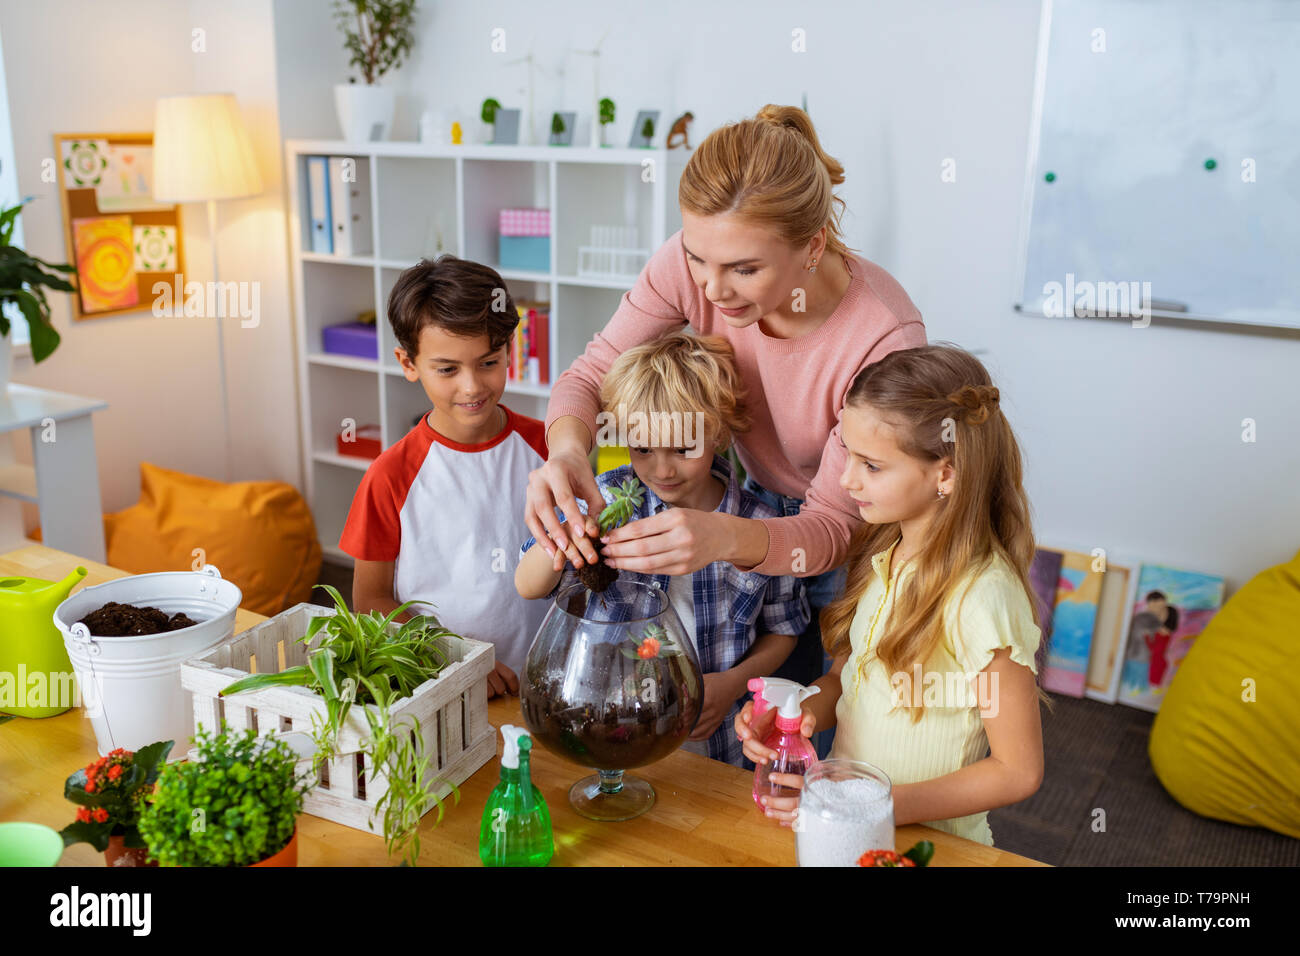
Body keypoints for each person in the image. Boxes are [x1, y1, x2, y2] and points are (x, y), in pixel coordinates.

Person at [525, 105, 927, 744]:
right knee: (740, 734)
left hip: (849, 539)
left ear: (813, 245)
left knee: (808, 740)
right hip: (753, 513)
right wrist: (569, 451)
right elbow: (590, 374)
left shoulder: (881, 337)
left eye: (744, 269)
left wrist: (723, 538)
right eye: (697, 259)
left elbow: (829, 529)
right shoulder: (697, 264)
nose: (712, 290)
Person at [735, 344, 1051, 846]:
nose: (845, 479)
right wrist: (801, 712)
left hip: (931, 845)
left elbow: (1017, 771)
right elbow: (847, 676)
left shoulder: (983, 597)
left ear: (945, 473)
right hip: (850, 829)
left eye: (871, 466)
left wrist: (877, 804)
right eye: (848, 454)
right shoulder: (881, 551)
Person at [515, 331, 809, 766]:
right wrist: (570, 535)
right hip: (610, 734)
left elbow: (784, 629)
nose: (661, 468)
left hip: (717, 750)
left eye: (682, 447)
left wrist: (733, 682)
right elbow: (527, 584)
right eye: (642, 447)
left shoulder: (761, 527)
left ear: (720, 431)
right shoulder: (608, 500)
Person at [340, 255, 548, 700]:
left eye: (488, 361)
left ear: (510, 349)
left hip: (545, 678)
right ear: (408, 363)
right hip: (441, 685)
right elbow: (370, 600)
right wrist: (454, 657)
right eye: (448, 369)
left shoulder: (548, 449)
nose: (472, 386)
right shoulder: (390, 476)